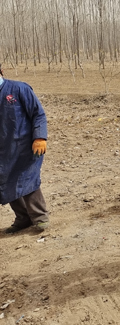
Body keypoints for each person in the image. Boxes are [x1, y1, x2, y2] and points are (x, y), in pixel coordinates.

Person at [0, 64, 50, 233]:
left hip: (26, 147)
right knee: (5, 182)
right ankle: (23, 218)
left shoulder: (19, 88)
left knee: (27, 179)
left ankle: (40, 217)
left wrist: (40, 137)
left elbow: (38, 114)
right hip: (3, 150)